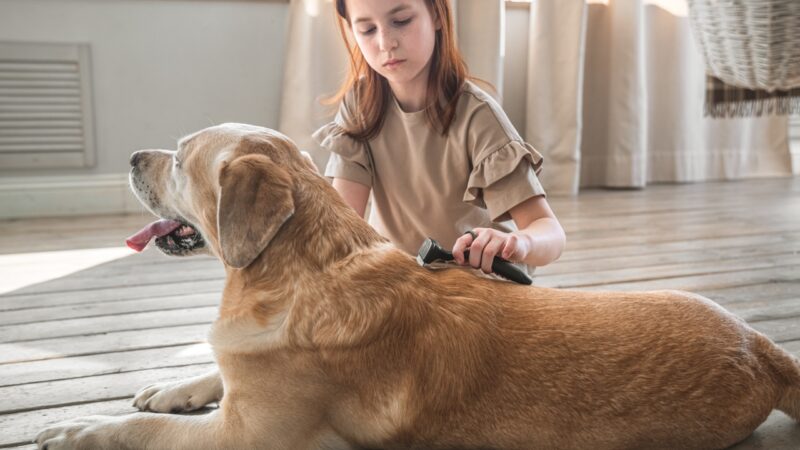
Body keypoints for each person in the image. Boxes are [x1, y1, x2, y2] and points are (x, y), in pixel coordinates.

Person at [313, 0, 566, 277]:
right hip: (402, 287)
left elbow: (550, 232)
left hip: (478, 292)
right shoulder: (359, 106)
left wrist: (519, 242)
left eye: (401, 21)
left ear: (436, 14)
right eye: (368, 29)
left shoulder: (479, 117)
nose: (385, 43)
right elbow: (344, 226)